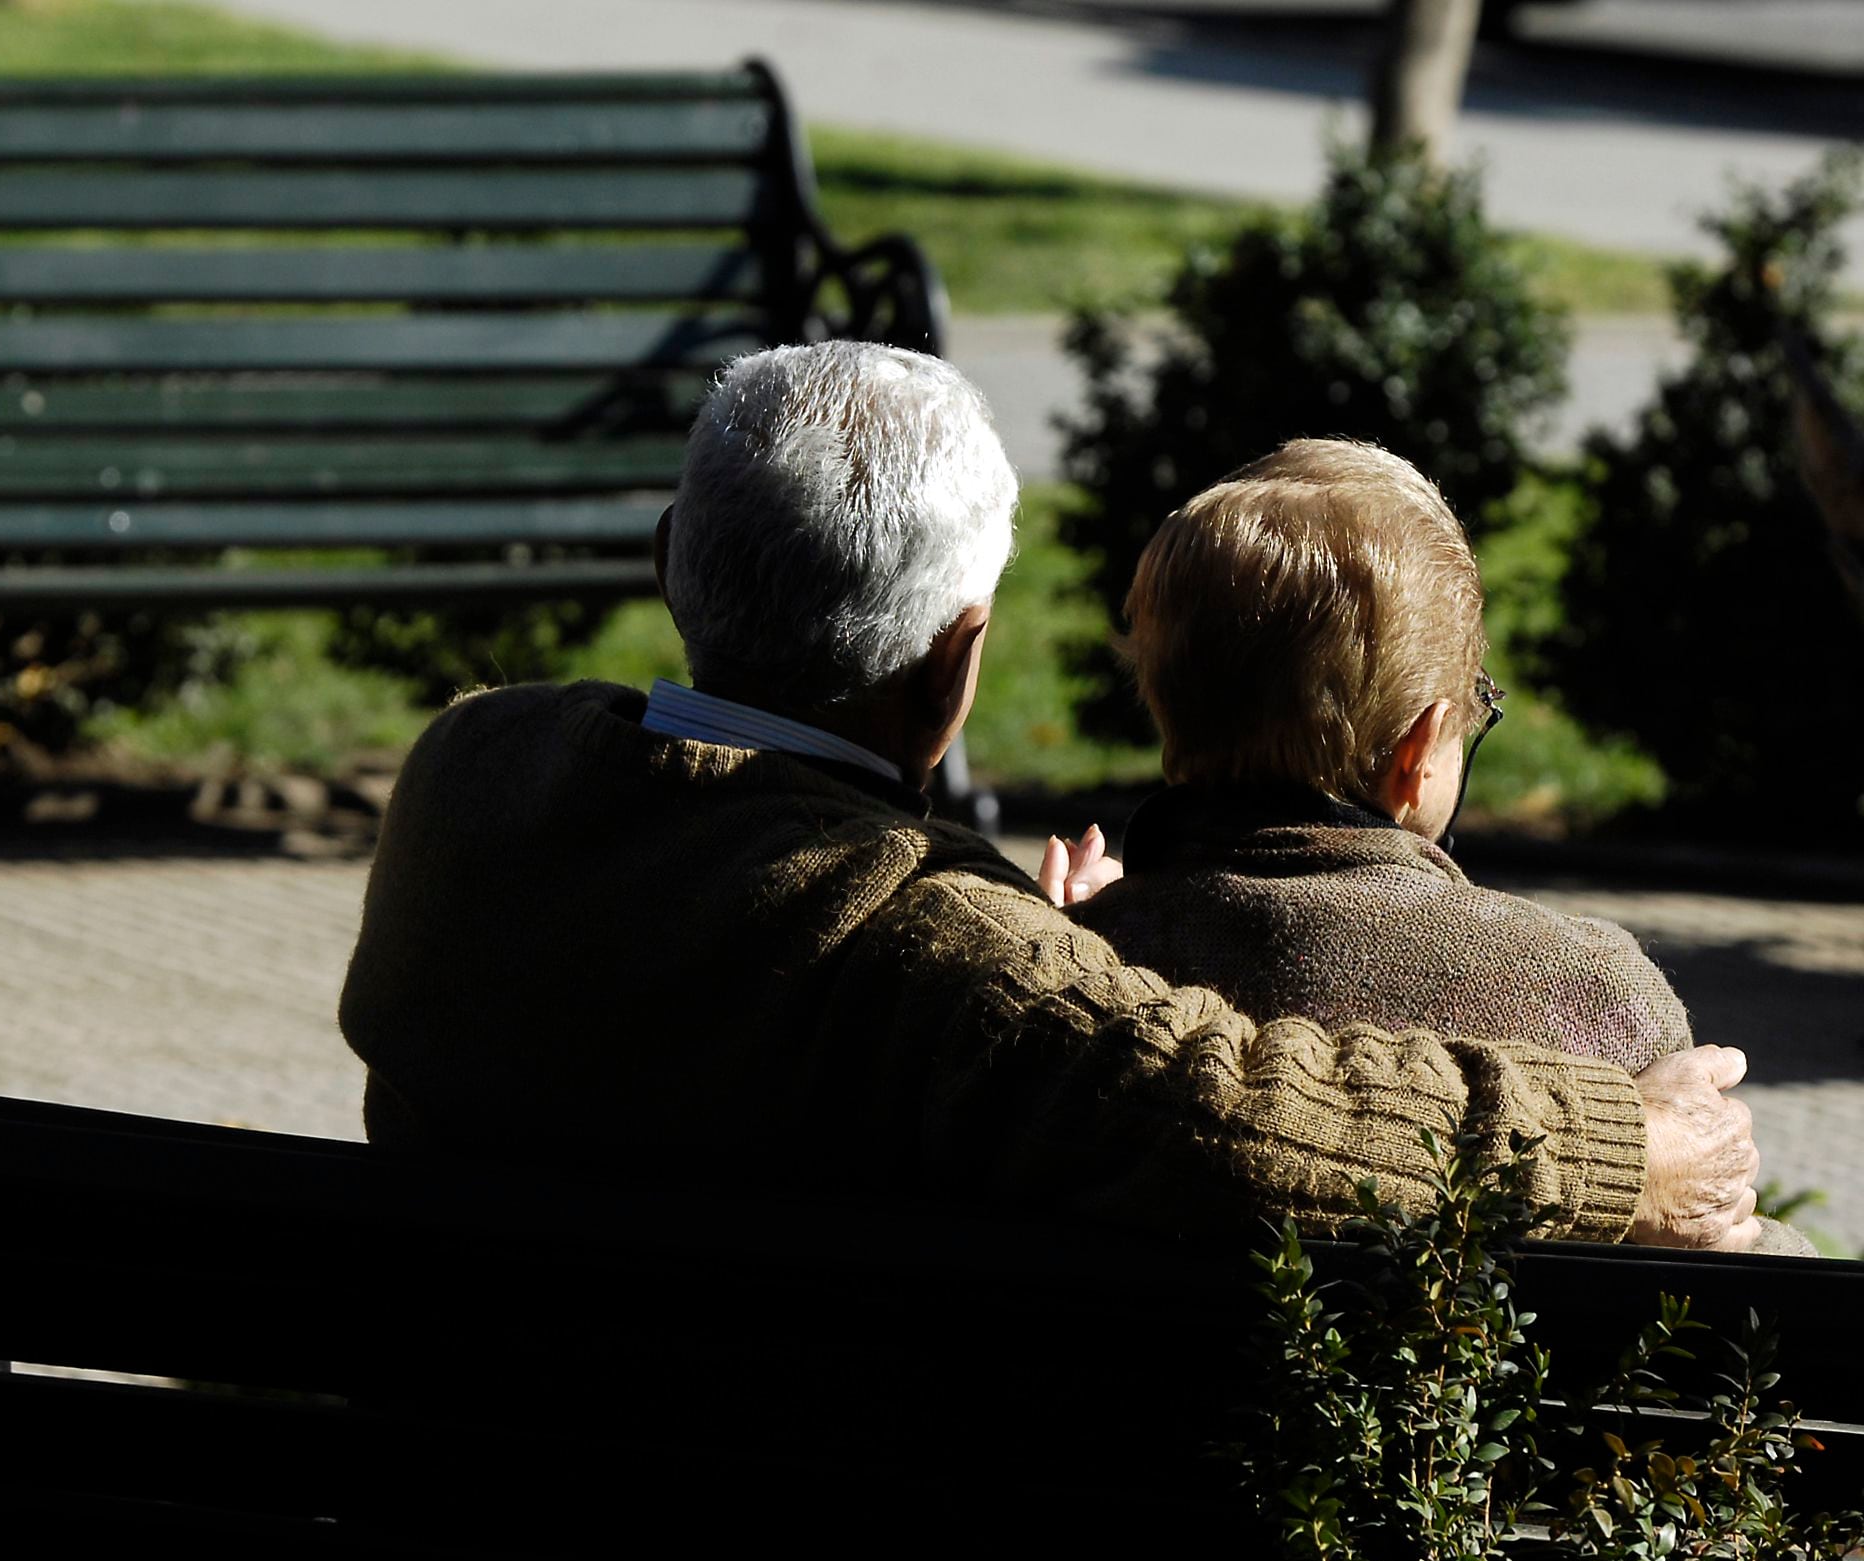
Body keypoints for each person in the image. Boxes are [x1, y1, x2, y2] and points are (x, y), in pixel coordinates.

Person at [337, 341, 1761, 1249]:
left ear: (672, 564)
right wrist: (1623, 1144)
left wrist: (1035, 937)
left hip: (442, 1510)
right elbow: (1243, 1120)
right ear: (962, 651)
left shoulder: (471, 772)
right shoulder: (929, 952)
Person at [1071, 438, 1811, 1252]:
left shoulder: (1082, 980)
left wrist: (1085, 930)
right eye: (1473, 709)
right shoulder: (1595, 991)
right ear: (1417, 753)